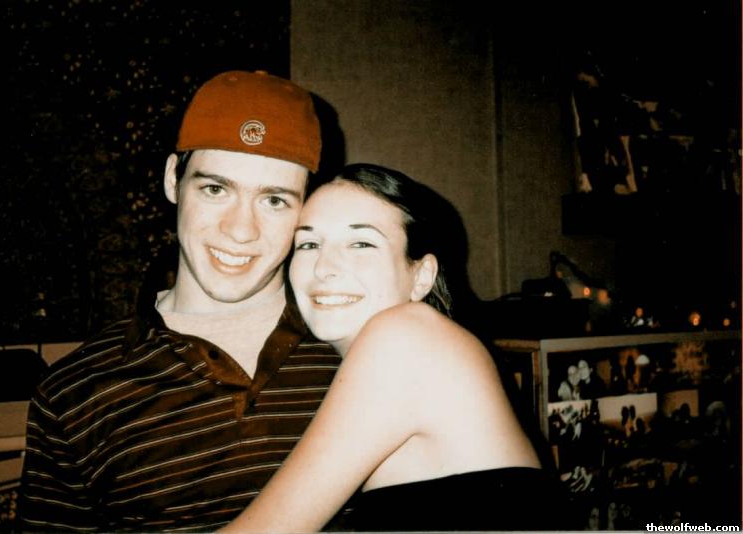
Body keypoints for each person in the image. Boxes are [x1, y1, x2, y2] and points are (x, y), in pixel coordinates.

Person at [18, 70, 343, 531]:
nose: (240, 230)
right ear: (174, 179)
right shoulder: (73, 393)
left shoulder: (360, 348)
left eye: (274, 200)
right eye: (215, 189)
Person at [221, 164, 562, 532]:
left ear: (422, 276)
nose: (323, 267)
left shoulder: (404, 339)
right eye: (308, 244)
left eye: (361, 243)